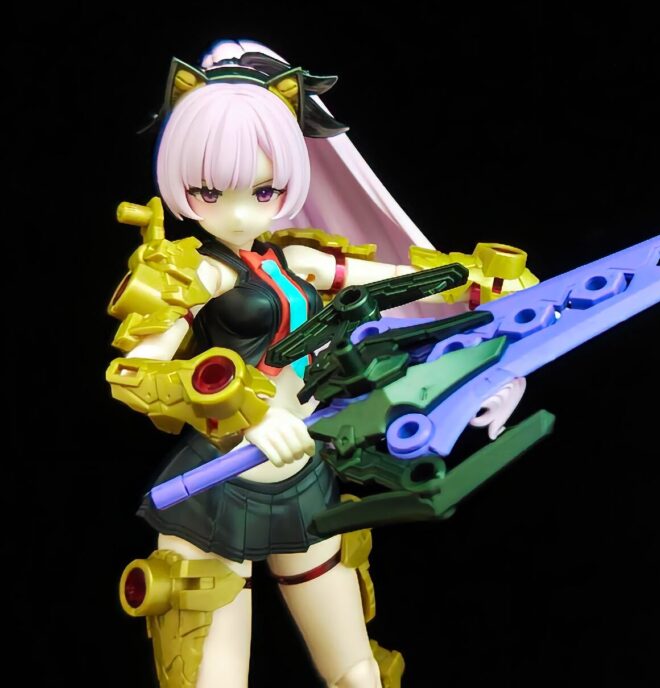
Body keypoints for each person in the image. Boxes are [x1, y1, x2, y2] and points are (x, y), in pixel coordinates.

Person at [108, 39, 487, 688]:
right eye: (208, 191)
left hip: (304, 480)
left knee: (358, 672)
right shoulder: (195, 274)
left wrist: (479, 284)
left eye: (264, 190)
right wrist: (248, 413)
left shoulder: (295, 260)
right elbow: (132, 374)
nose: (238, 212)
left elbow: (402, 283)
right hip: (215, 487)